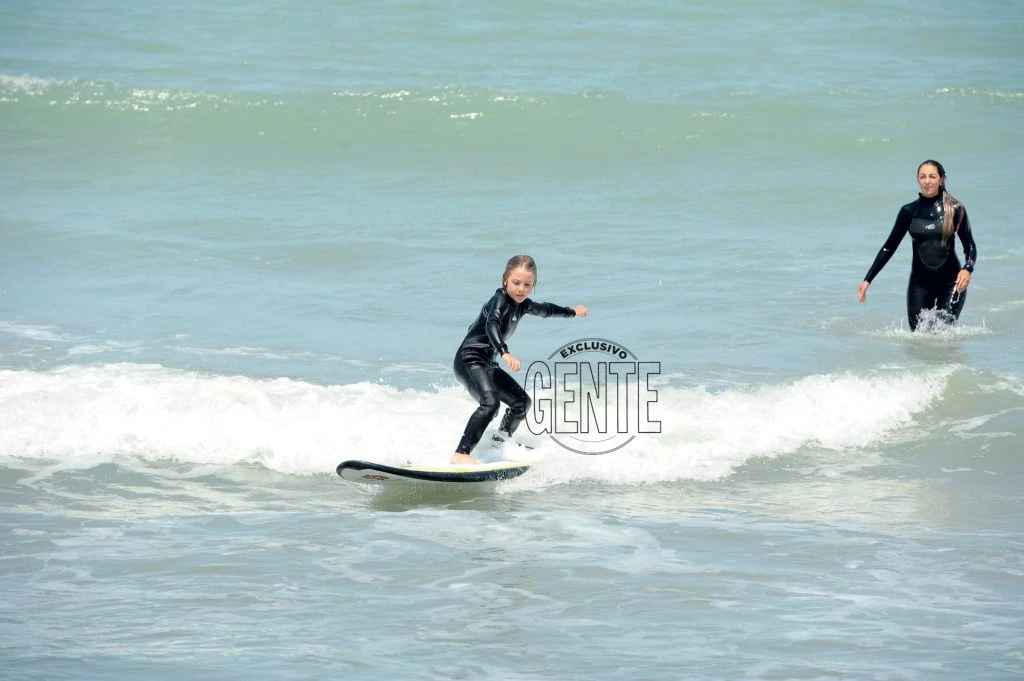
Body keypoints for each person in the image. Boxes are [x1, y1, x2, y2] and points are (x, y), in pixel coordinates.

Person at [451, 255, 588, 465]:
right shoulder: (499, 300)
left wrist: (572, 312)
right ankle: (461, 453)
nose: (521, 289)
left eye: (527, 285)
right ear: (504, 279)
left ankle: (498, 442)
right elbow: (491, 324)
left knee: (521, 403)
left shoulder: (523, 304)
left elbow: (545, 310)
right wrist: (504, 352)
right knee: (490, 403)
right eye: (516, 283)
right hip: (469, 360)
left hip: (487, 363)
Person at [858, 160, 978, 331]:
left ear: (941, 179)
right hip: (920, 283)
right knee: (918, 336)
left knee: (944, 334)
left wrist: (967, 269)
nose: (927, 181)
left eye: (932, 176)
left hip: (952, 282)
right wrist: (867, 280)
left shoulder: (955, 209)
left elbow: (970, 245)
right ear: (917, 179)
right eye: (923, 177)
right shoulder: (908, 211)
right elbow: (889, 247)